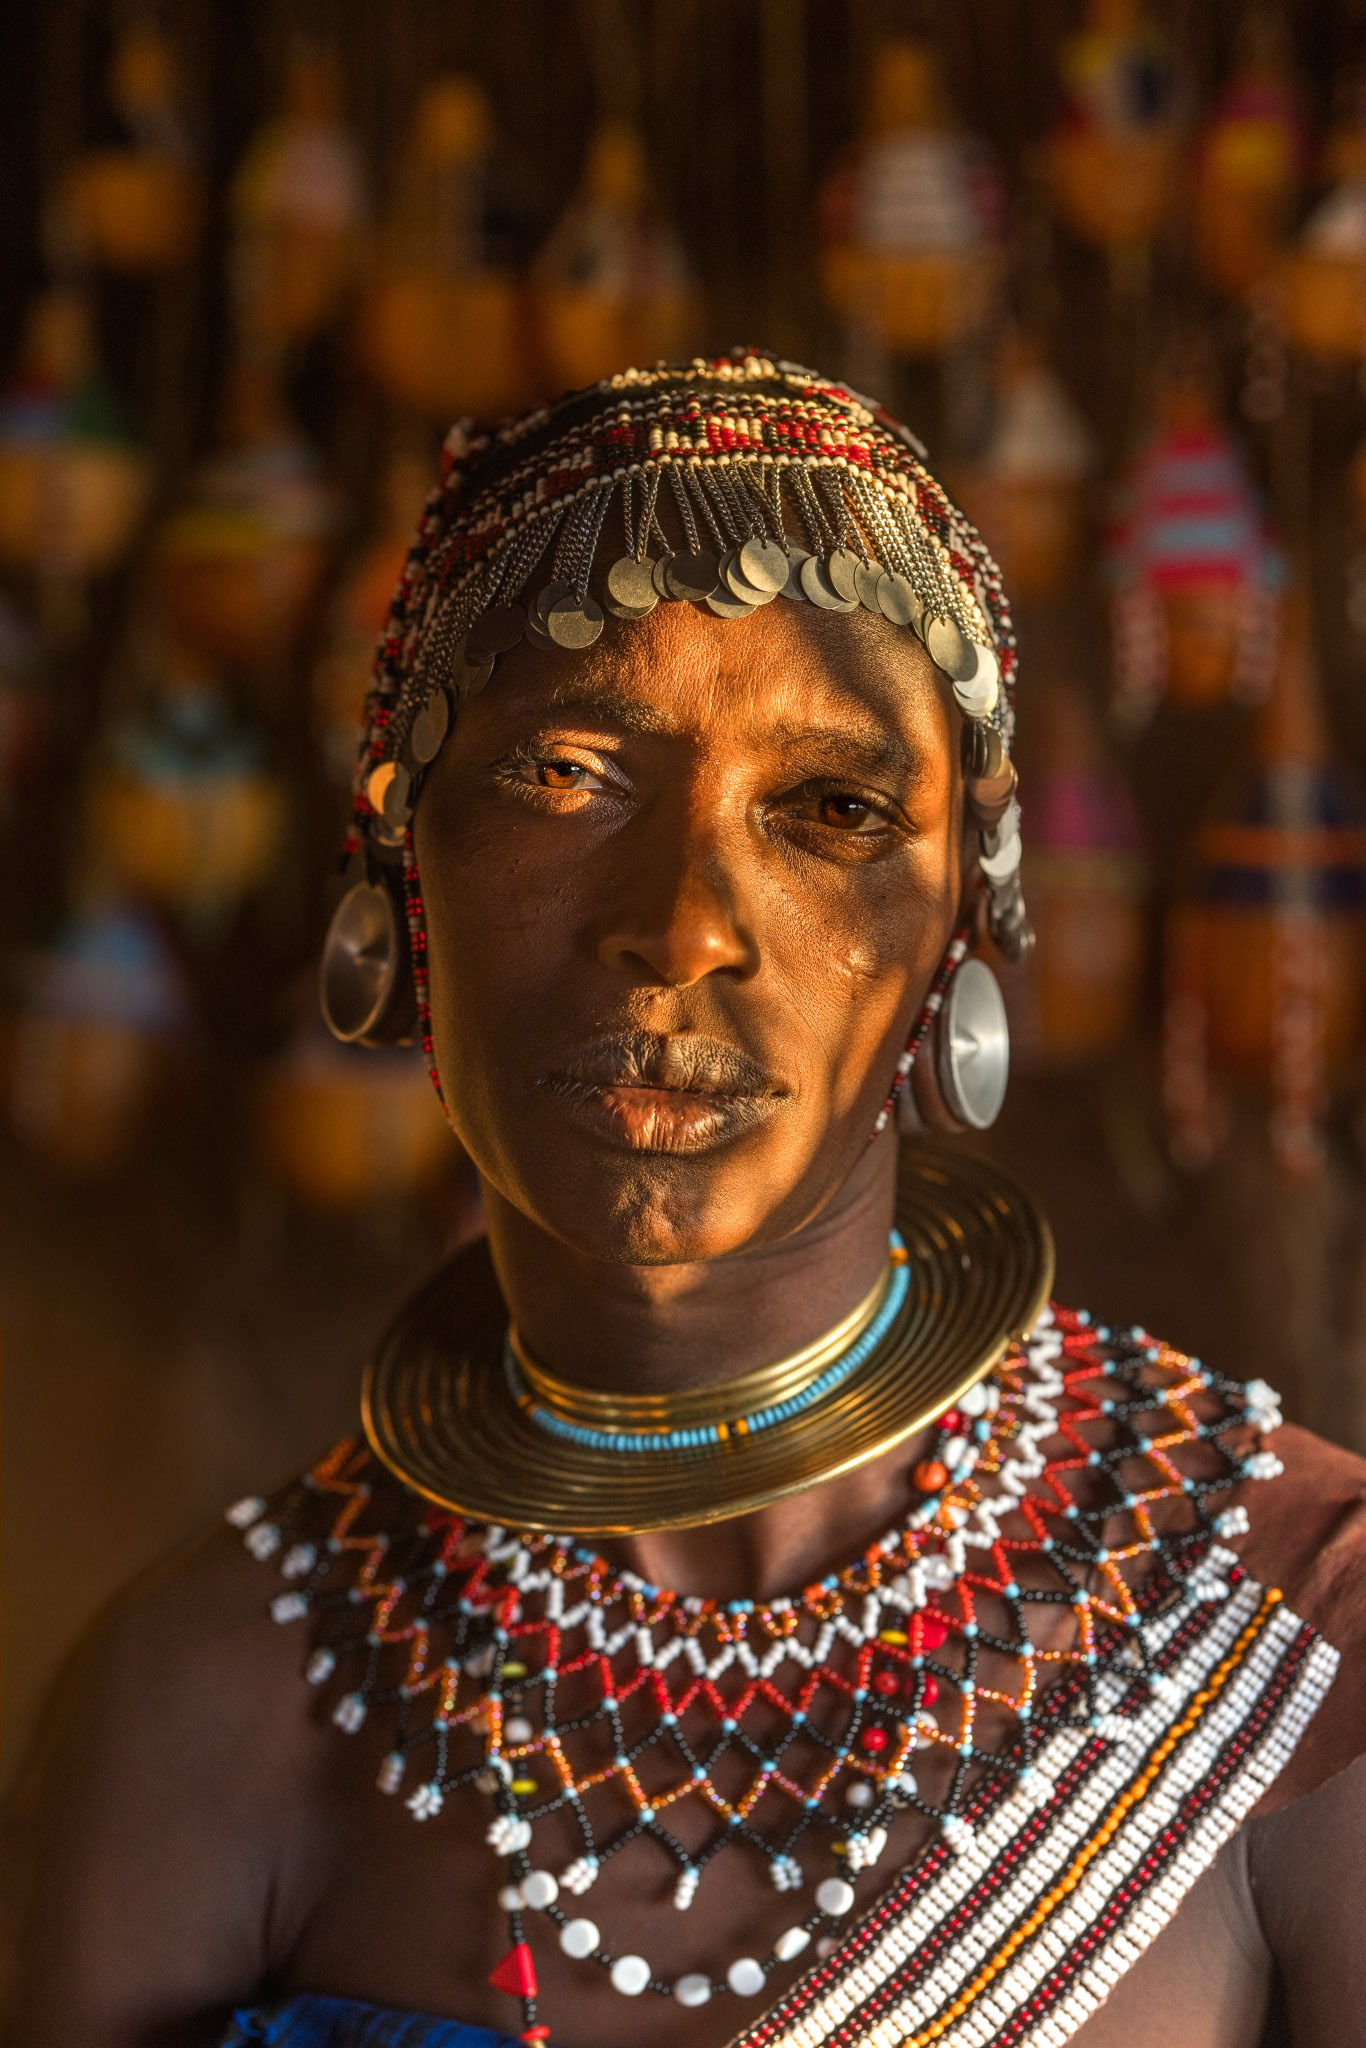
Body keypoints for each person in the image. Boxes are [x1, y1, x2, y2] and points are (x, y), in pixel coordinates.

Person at [6, 353, 1366, 2048]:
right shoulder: (197, 1722)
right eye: (569, 772)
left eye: (832, 808)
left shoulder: (1289, 1652)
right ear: (395, 866)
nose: (686, 923)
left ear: (964, 919)